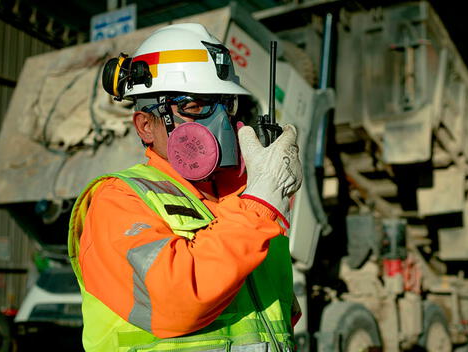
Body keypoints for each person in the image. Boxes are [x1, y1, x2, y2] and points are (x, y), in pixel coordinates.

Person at [68, 23, 302, 352]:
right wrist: (259, 204)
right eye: (195, 106)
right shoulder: (117, 201)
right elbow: (175, 302)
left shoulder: (248, 205)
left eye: (224, 103)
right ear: (146, 125)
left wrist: (257, 194)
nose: (219, 120)